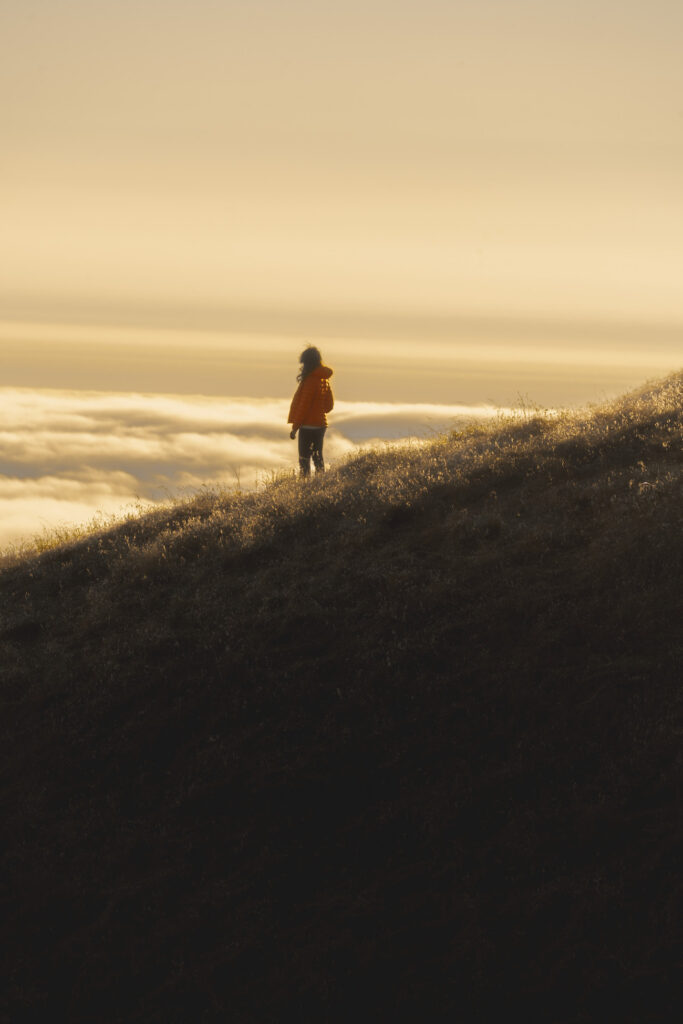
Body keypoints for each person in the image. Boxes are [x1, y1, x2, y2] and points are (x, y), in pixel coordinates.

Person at [288, 346, 334, 477]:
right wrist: (318, 410)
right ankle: (321, 484)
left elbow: (303, 407)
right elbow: (329, 406)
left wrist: (295, 428)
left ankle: (305, 487)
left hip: (307, 426)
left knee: (304, 459)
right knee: (318, 457)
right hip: (321, 425)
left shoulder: (309, 381)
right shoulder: (324, 380)